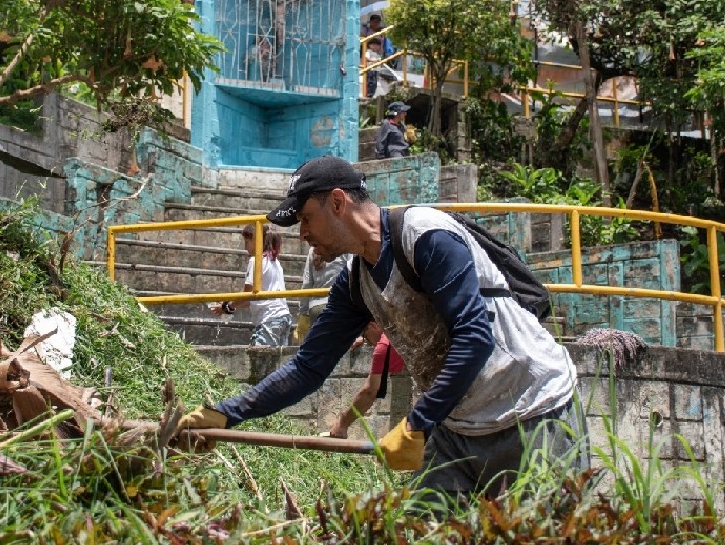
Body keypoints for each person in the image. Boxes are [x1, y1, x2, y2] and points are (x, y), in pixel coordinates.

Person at [180, 156, 583, 500]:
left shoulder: (426, 236)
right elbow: (307, 369)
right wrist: (225, 415)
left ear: (337, 202)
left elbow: (474, 337)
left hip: (534, 409)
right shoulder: (354, 284)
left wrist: (416, 423)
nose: (302, 234)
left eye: (306, 218)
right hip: (456, 427)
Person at [208, 224, 292, 347]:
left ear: (256, 240)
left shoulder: (256, 261)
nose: (245, 246)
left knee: (261, 363)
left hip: (268, 319)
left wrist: (227, 306)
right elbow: (254, 298)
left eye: (247, 242)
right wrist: (229, 305)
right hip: (283, 317)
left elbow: (248, 295)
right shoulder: (274, 261)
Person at [325, 320, 406, 439]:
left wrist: (342, 424)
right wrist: (364, 338)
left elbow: (369, 392)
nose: (369, 343)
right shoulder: (399, 328)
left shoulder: (383, 347)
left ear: (373, 325)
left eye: (365, 336)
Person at [294, 247, 350, 342]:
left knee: (318, 348)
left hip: (316, 308)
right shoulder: (344, 248)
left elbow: (307, 284)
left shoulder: (313, 250)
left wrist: (303, 313)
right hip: (338, 305)